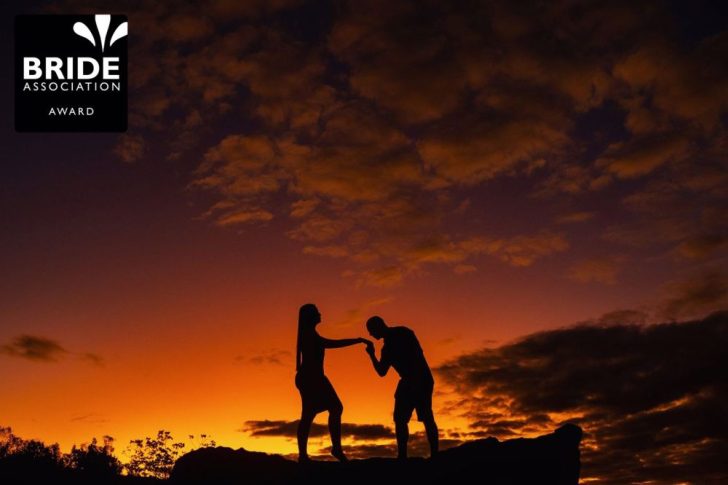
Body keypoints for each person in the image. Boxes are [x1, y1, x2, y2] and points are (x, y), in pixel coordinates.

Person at [295, 303, 370, 462]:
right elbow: (331, 344)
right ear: (310, 317)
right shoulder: (308, 335)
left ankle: (306, 454)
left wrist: (356, 340)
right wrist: (357, 340)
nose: (320, 314)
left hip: (312, 377)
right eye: (317, 312)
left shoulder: (310, 333)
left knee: (311, 414)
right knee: (329, 409)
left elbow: (329, 343)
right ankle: (330, 449)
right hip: (312, 378)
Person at [364, 315, 438, 459]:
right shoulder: (389, 346)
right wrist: (372, 355)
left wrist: (416, 382)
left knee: (426, 417)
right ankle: (402, 455)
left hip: (420, 378)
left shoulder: (402, 333)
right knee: (400, 419)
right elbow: (382, 372)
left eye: (371, 331)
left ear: (378, 326)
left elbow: (417, 355)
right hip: (409, 380)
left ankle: (434, 454)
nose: (370, 334)